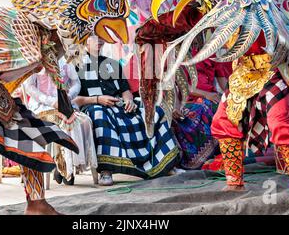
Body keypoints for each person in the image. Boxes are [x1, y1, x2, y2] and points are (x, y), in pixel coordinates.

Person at [74, 36, 179, 186]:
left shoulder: (112, 64)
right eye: (94, 37)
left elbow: (125, 91)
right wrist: (97, 99)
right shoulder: (75, 65)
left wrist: (129, 100)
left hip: (118, 105)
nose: (99, 41)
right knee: (100, 114)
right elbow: (73, 99)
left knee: (155, 112)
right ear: (84, 40)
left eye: (101, 38)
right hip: (93, 106)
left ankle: (164, 165)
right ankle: (106, 170)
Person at [22, 57, 98, 185]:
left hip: (66, 105)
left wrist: (68, 96)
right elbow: (28, 87)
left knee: (85, 121)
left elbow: (76, 83)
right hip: (42, 107)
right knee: (64, 122)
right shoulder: (35, 58)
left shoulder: (64, 59)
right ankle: (63, 168)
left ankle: (73, 165)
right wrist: (51, 101)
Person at [172, 48, 231, 169]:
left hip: (211, 97)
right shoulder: (181, 54)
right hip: (189, 100)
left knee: (227, 108)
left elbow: (223, 82)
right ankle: (198, 159)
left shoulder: (211, 52)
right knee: (204, 109)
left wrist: (232, 95)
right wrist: (205, 94)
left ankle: (225, 153)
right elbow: (183, 85)